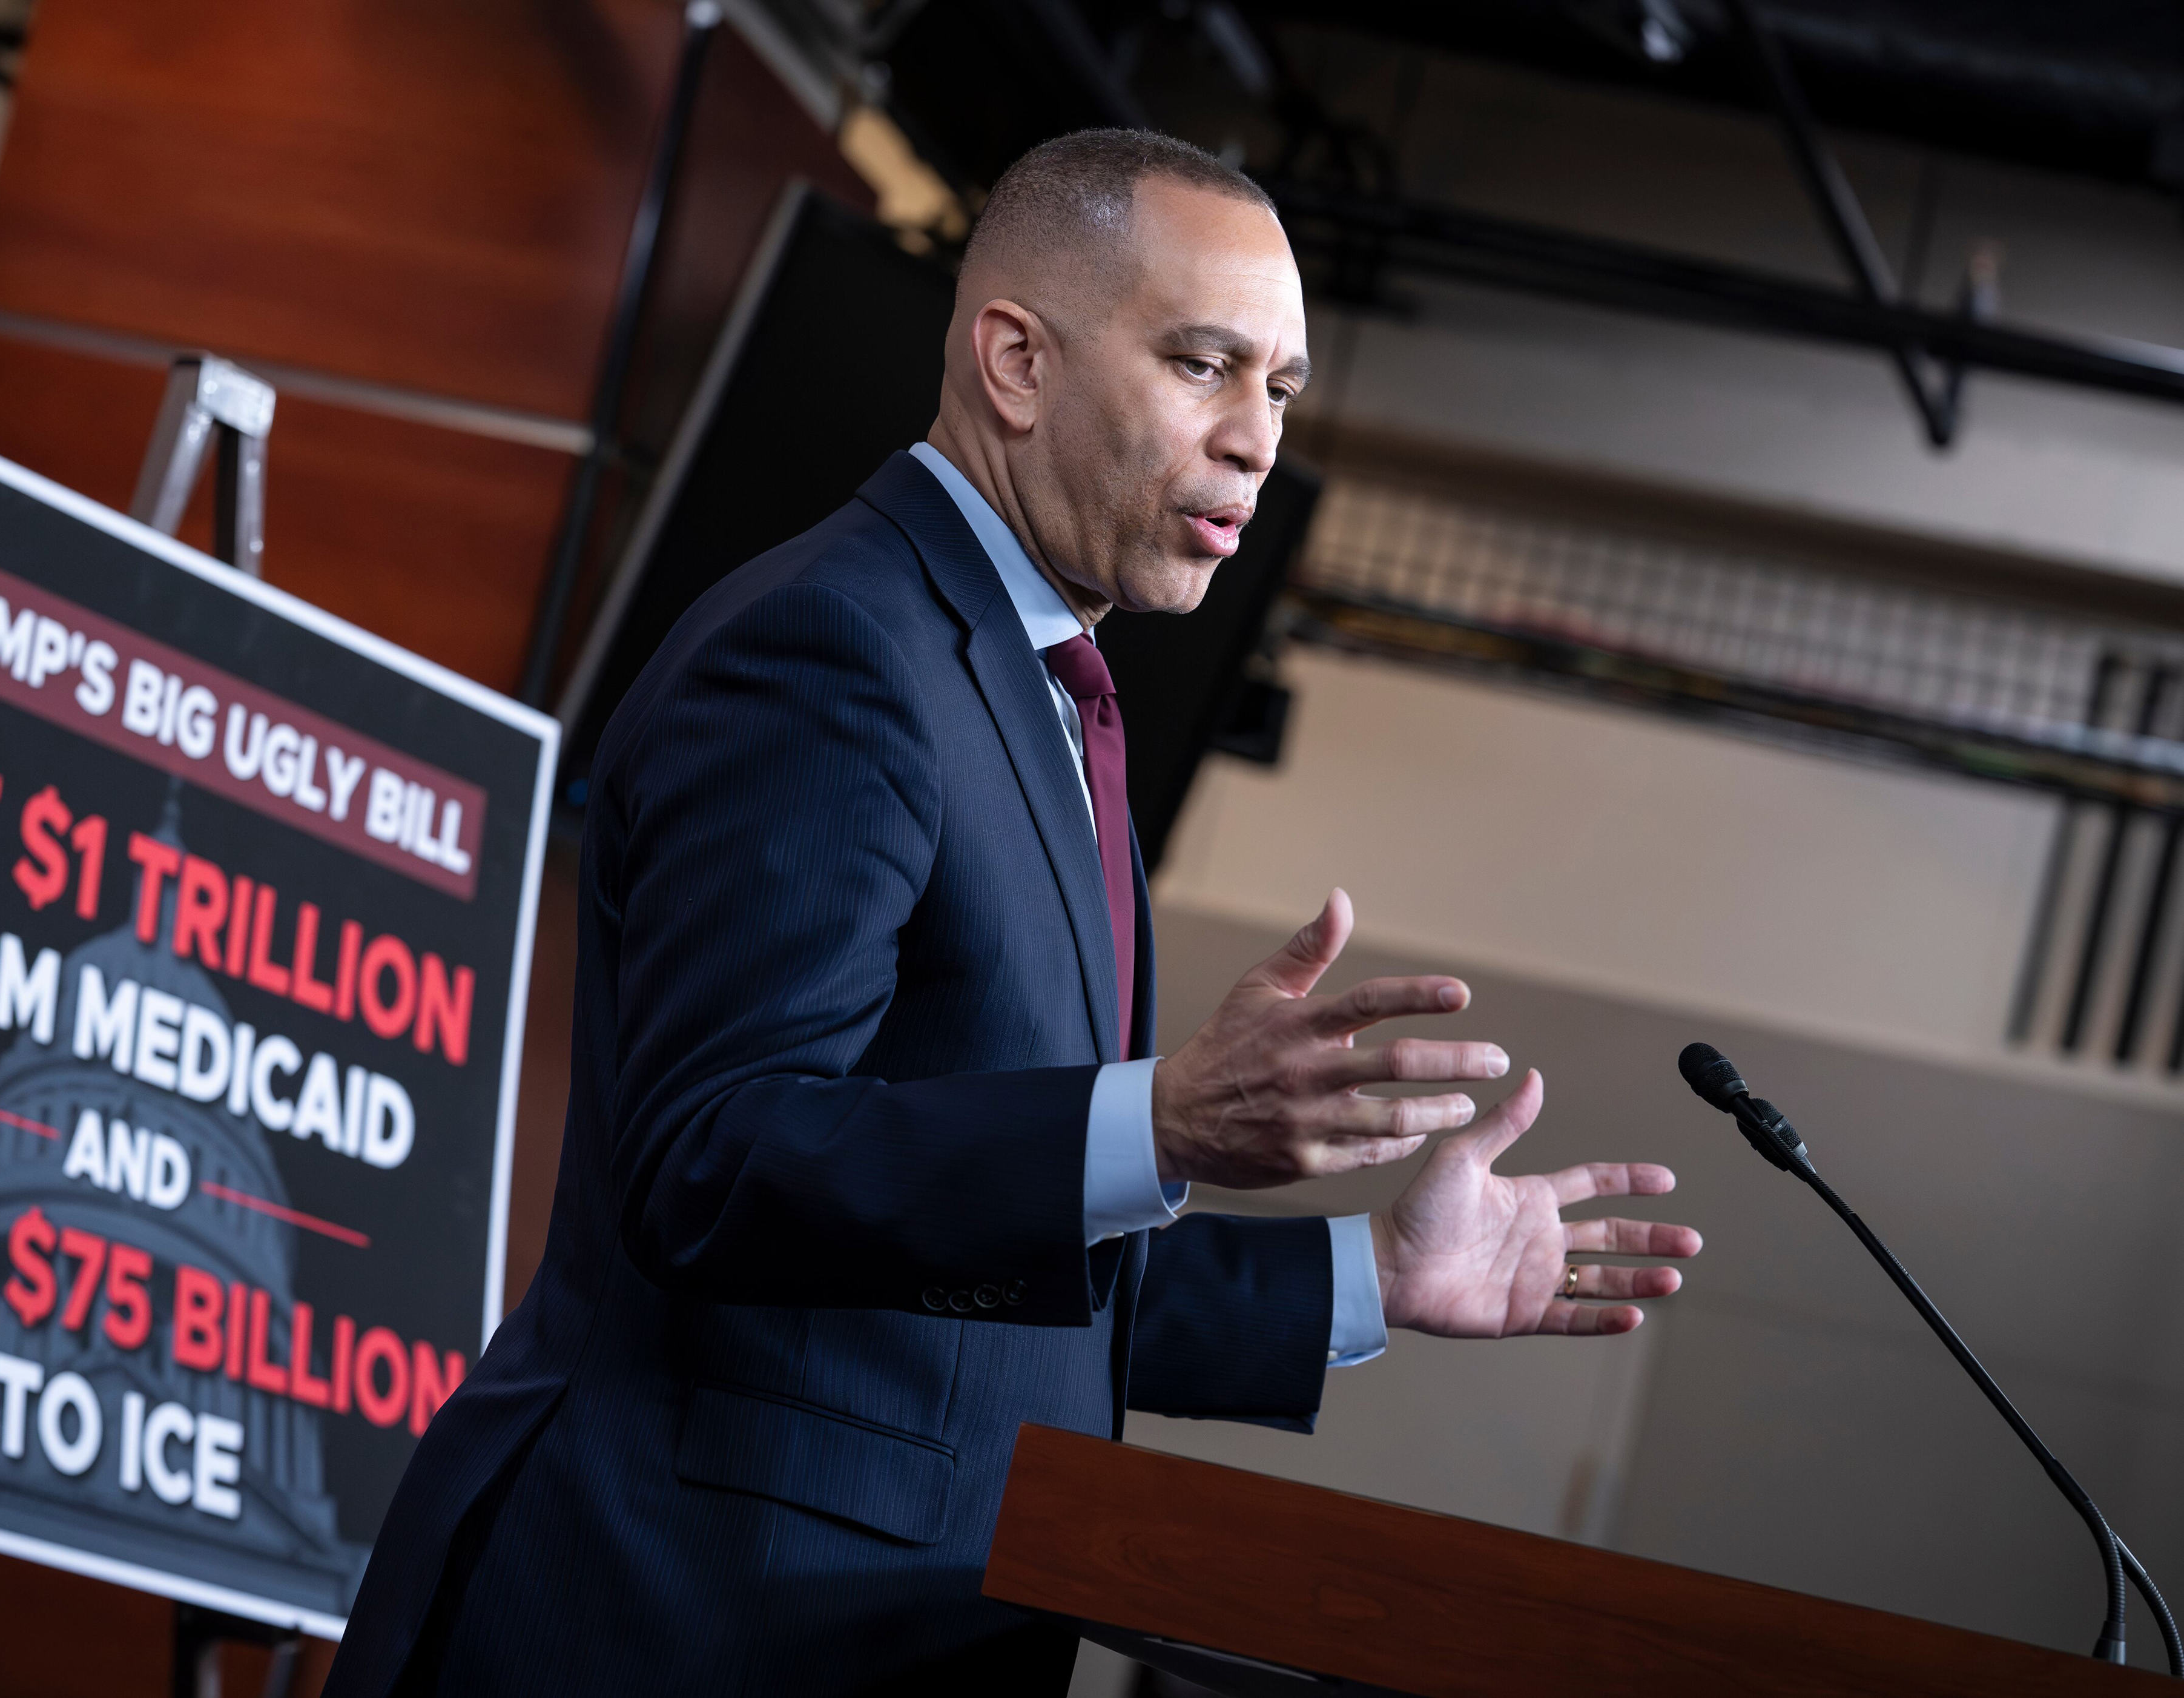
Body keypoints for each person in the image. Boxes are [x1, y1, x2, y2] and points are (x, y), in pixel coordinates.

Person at [326, 128, 1700, 1697]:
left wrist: (1374, 1273)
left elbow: (984, 1287)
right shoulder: (835, 653)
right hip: (662, 1627)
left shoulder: (1045, 697)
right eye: (1205, 365)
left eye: (1284, 390)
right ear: (1017, 363)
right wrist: (1156, 1122)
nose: (1256, 439)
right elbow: (714, 1162)